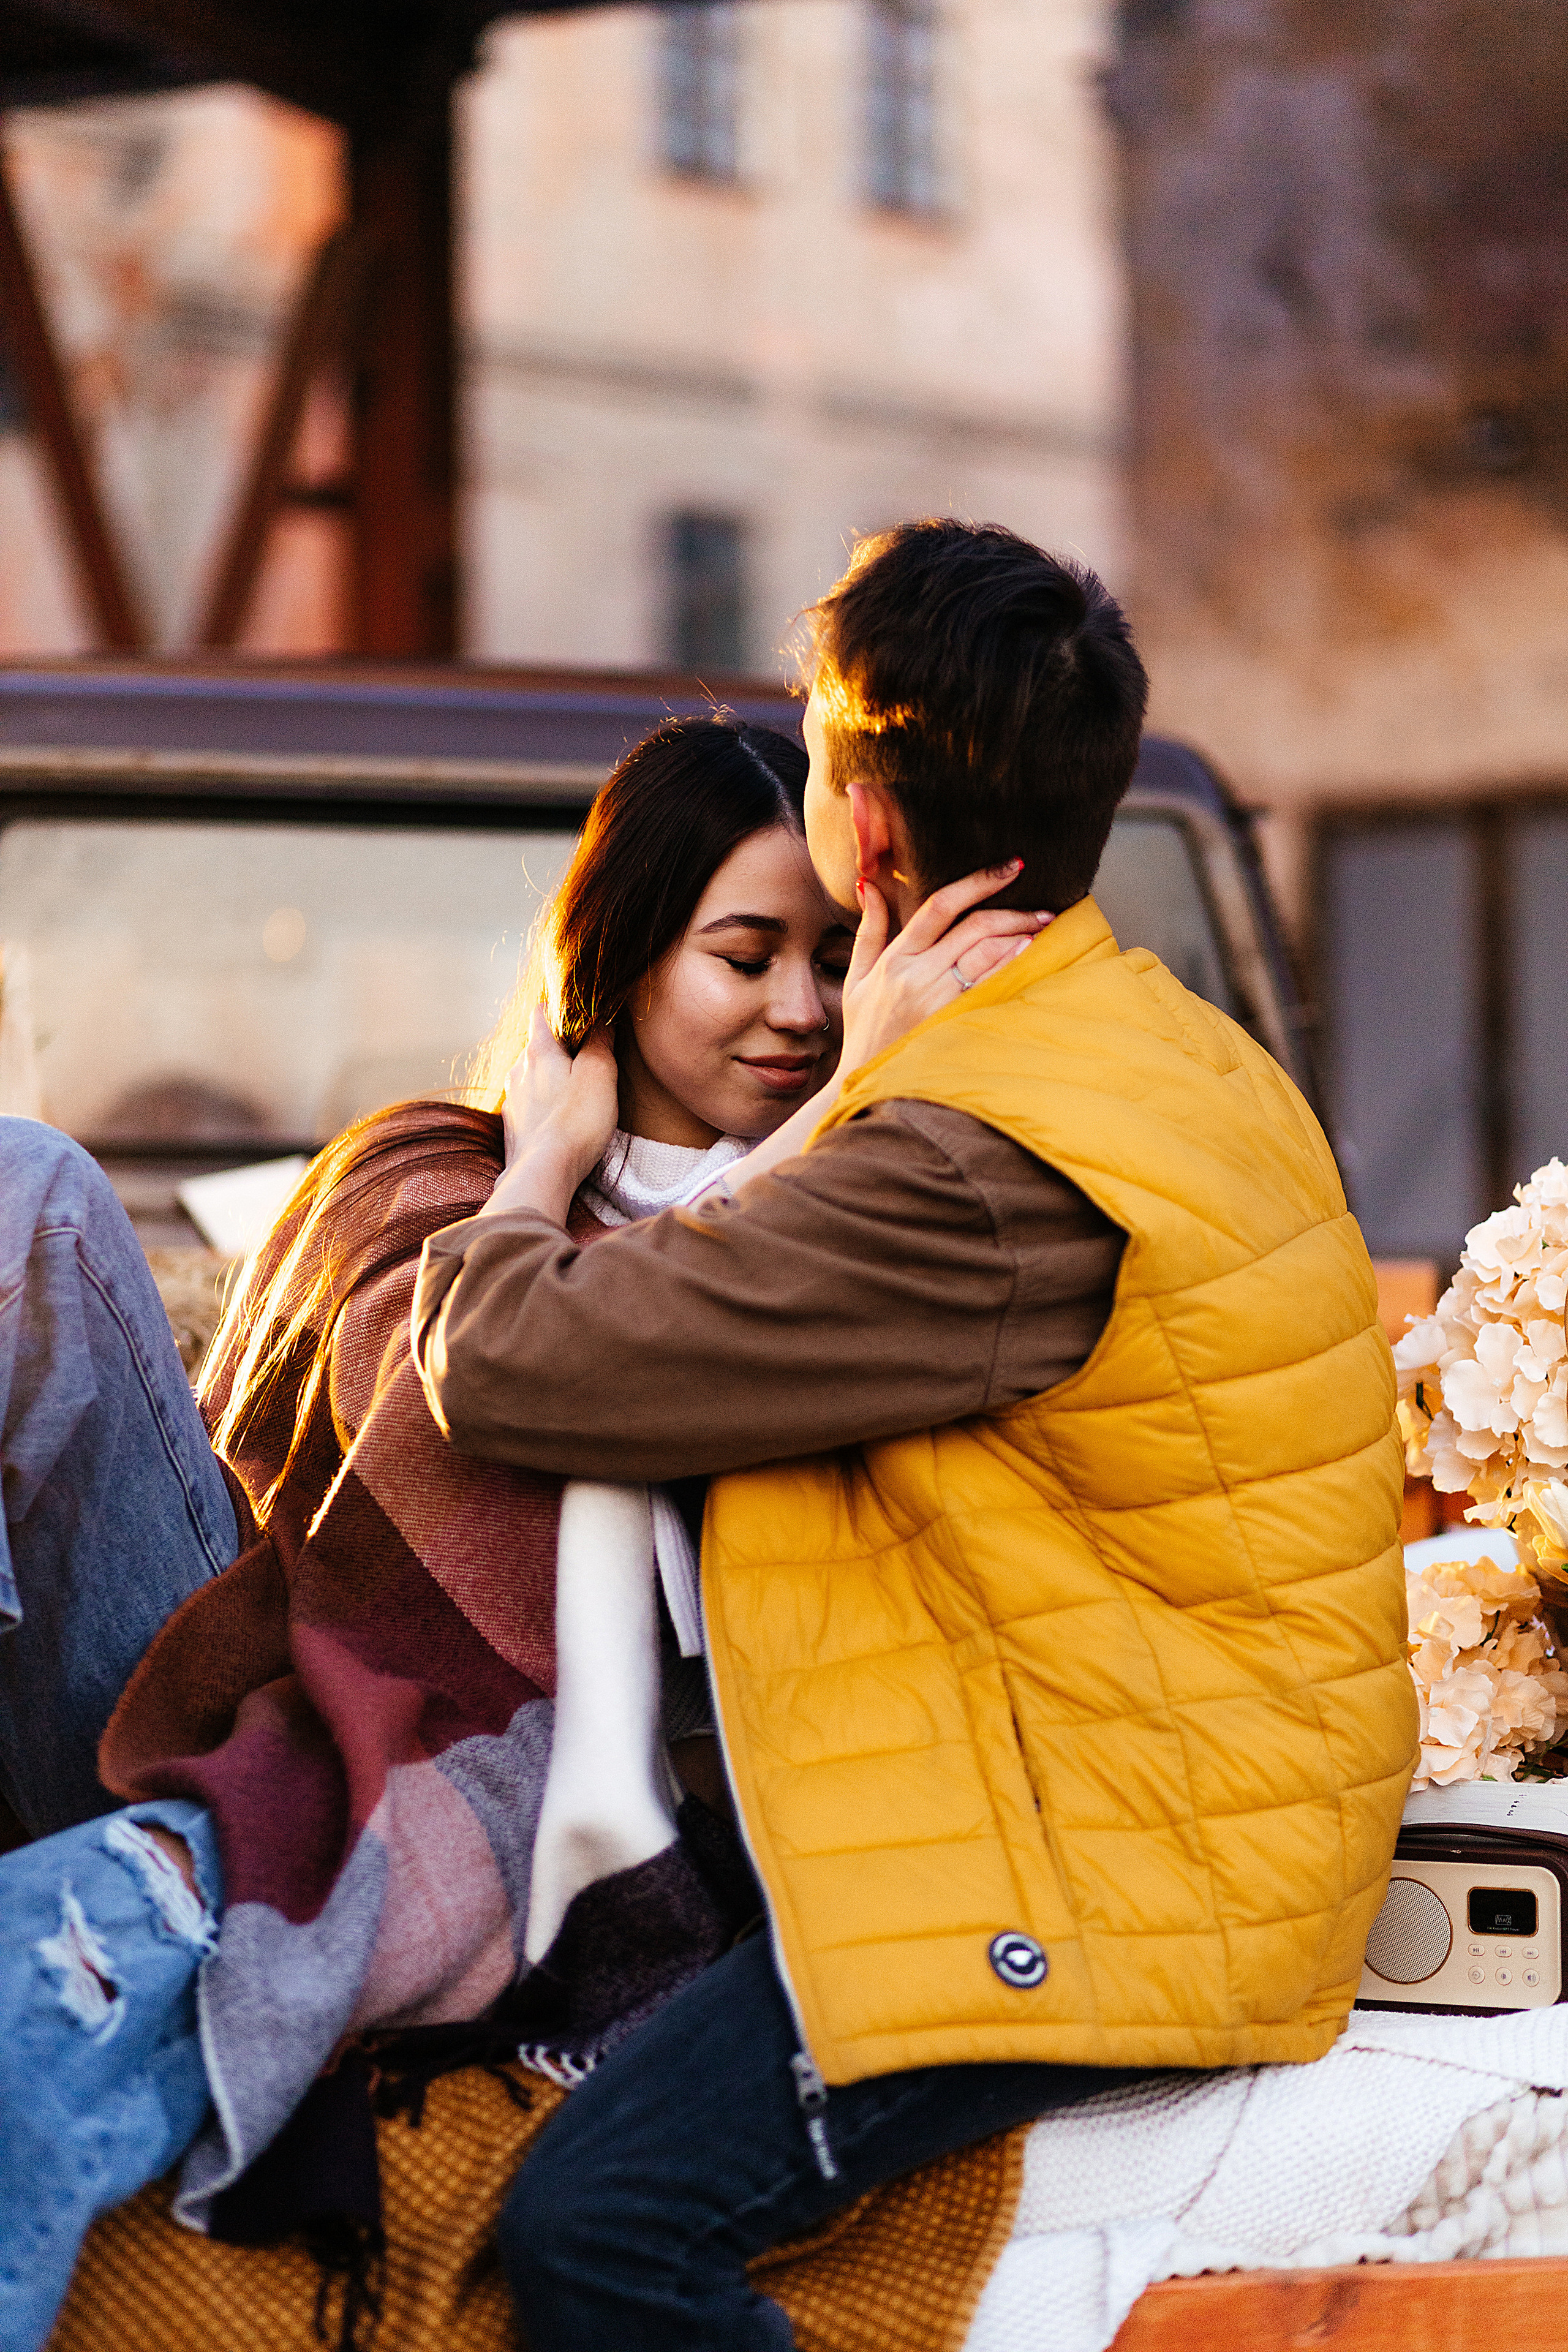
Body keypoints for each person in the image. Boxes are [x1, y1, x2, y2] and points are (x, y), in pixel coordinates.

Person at [412, 519, 1419, 2350]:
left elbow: (512, 1362)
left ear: (860, 832)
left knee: (602, 2226)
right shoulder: (1144, 1046)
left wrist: (539, 1166)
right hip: (1163, 1786)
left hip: (1125, 1865)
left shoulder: (967, 1160)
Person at [0, 711, 1041, 2352]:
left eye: (840, 958)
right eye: (745, 952)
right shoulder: (445, 1167)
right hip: (246, 1699)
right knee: (28, 1189)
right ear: (616, 964)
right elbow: (458, 1439)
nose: (801, 1008)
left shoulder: (879, 1253)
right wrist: (534, 1191)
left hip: (517, 1802)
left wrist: (850, 1133)